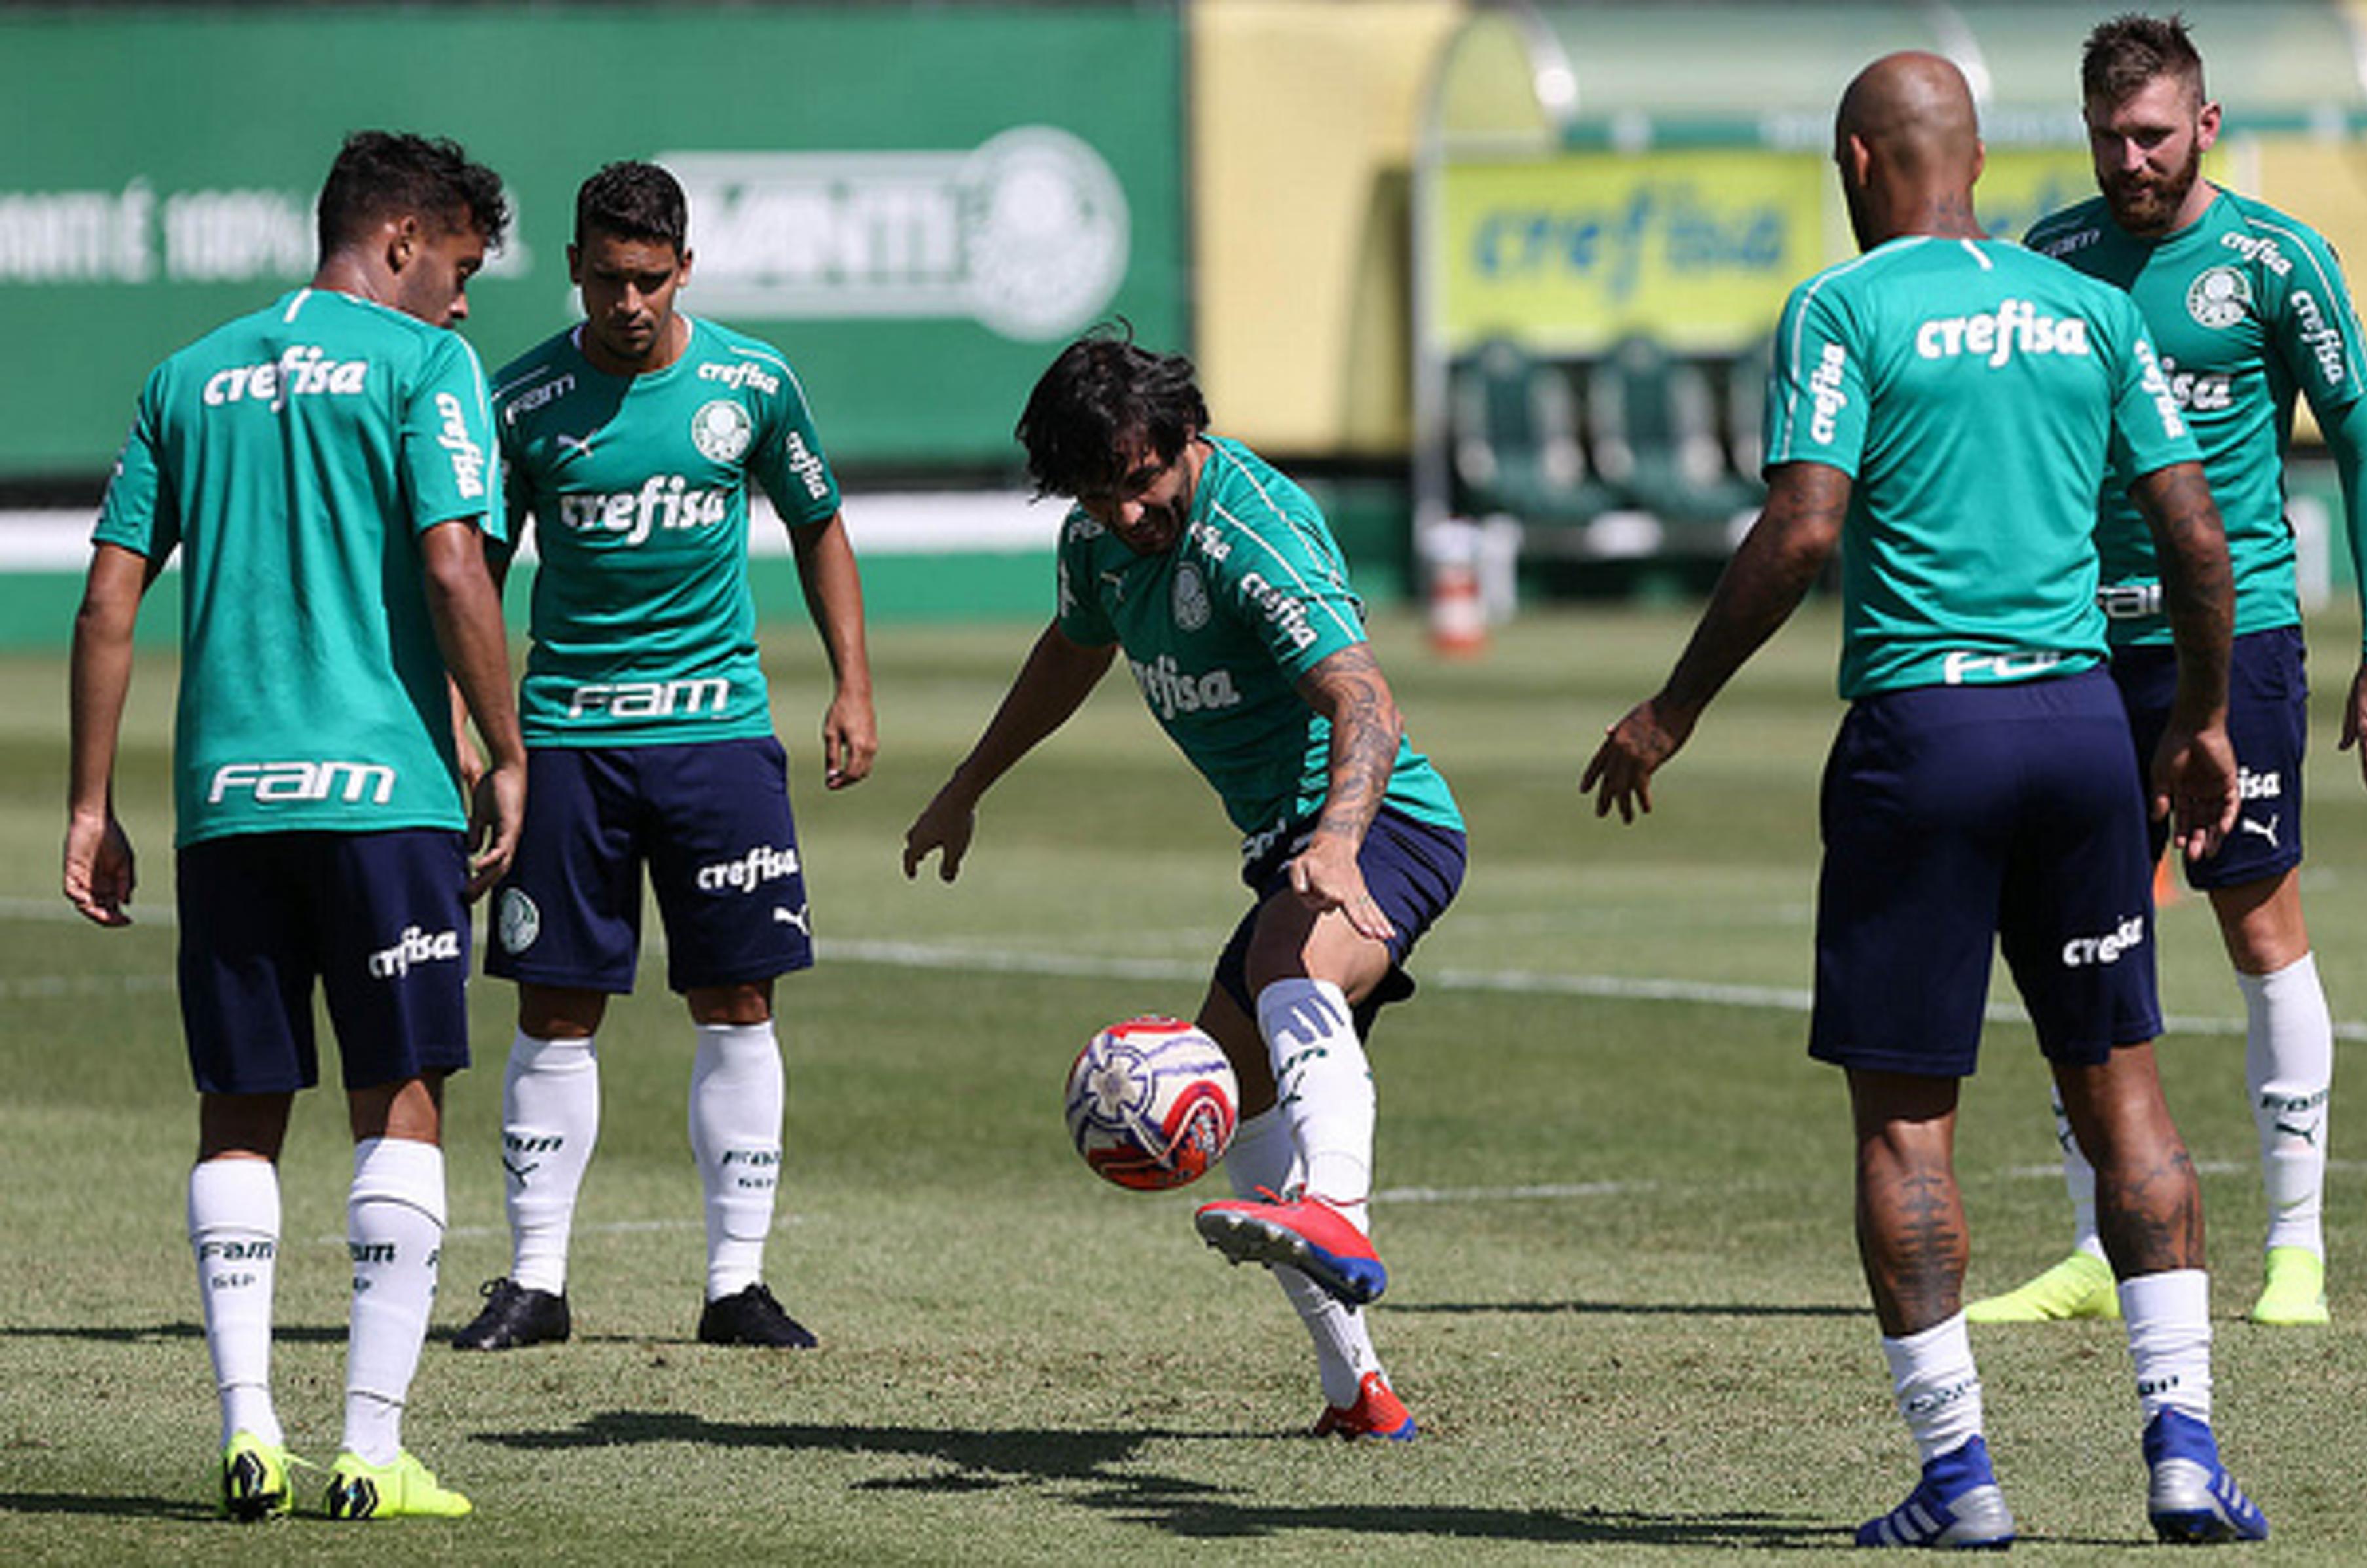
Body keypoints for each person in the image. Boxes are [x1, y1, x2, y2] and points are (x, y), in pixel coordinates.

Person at [1581, 55, 2270, 1546]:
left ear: (1855, 158)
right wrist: (2203, 716)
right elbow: (2198, 533)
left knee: (1908, 1131)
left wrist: (1671, 707)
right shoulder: (2087, 307)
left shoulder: (1844, 306)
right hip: (2085, 728)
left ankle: (1961, 1478)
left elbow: (1802, 527)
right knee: (2125, 1094)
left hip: (1926, 735)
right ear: (1977, 152)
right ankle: (2183, 1448)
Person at [64, 130, 522, 1522]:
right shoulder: (423, 368)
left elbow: (105, 606)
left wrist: (90, 803)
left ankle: (248, 1432)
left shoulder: (182, 377)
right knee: (402, 1100)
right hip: (382, 798)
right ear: (396, 240)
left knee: (239, 1114)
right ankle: (373, 1453)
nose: (461, 302)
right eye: (455, 267)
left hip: (227, 810)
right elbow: (454, 564)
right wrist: (506, 748)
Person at [903, 328, 1467, 1441]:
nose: (1125, 513)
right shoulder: (1096, 544)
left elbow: (1366, 701)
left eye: (1142, 483)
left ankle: (1339, 1210)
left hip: (1389, 820)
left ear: (1183, 439)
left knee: (1279, 963)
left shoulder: (1250, 532)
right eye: (1096, 492)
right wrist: (968, 783)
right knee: (1241, 1097)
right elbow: (1072, 650)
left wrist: (1342, 841)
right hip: (1286, 843)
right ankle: (1358, 1390)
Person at [1970, 10, 2367, 1332]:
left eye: (2154, 134)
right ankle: (2099, 1247)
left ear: (2205, 125)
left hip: (2240, 643)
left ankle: (2297, 1249)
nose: (2131, 160)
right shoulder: (2051, 259)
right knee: (2076, 933)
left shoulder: (2276, 262)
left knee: (2257, 922)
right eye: (2110, 136)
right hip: (2073, 647)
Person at [451, 161, 875, 1354]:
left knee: (736, 1000)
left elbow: (818, 522)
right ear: (577, 266)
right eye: (607, 279)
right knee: (555, 1003)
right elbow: (474, 573)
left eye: (650, 280)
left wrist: (851, 681)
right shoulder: (521, 398)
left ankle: (736, 1284)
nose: (628, 303)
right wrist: (476, 732)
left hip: (719, 738)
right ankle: (536, 1283)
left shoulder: (751, 382)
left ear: (683, 269)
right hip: (570, 743)